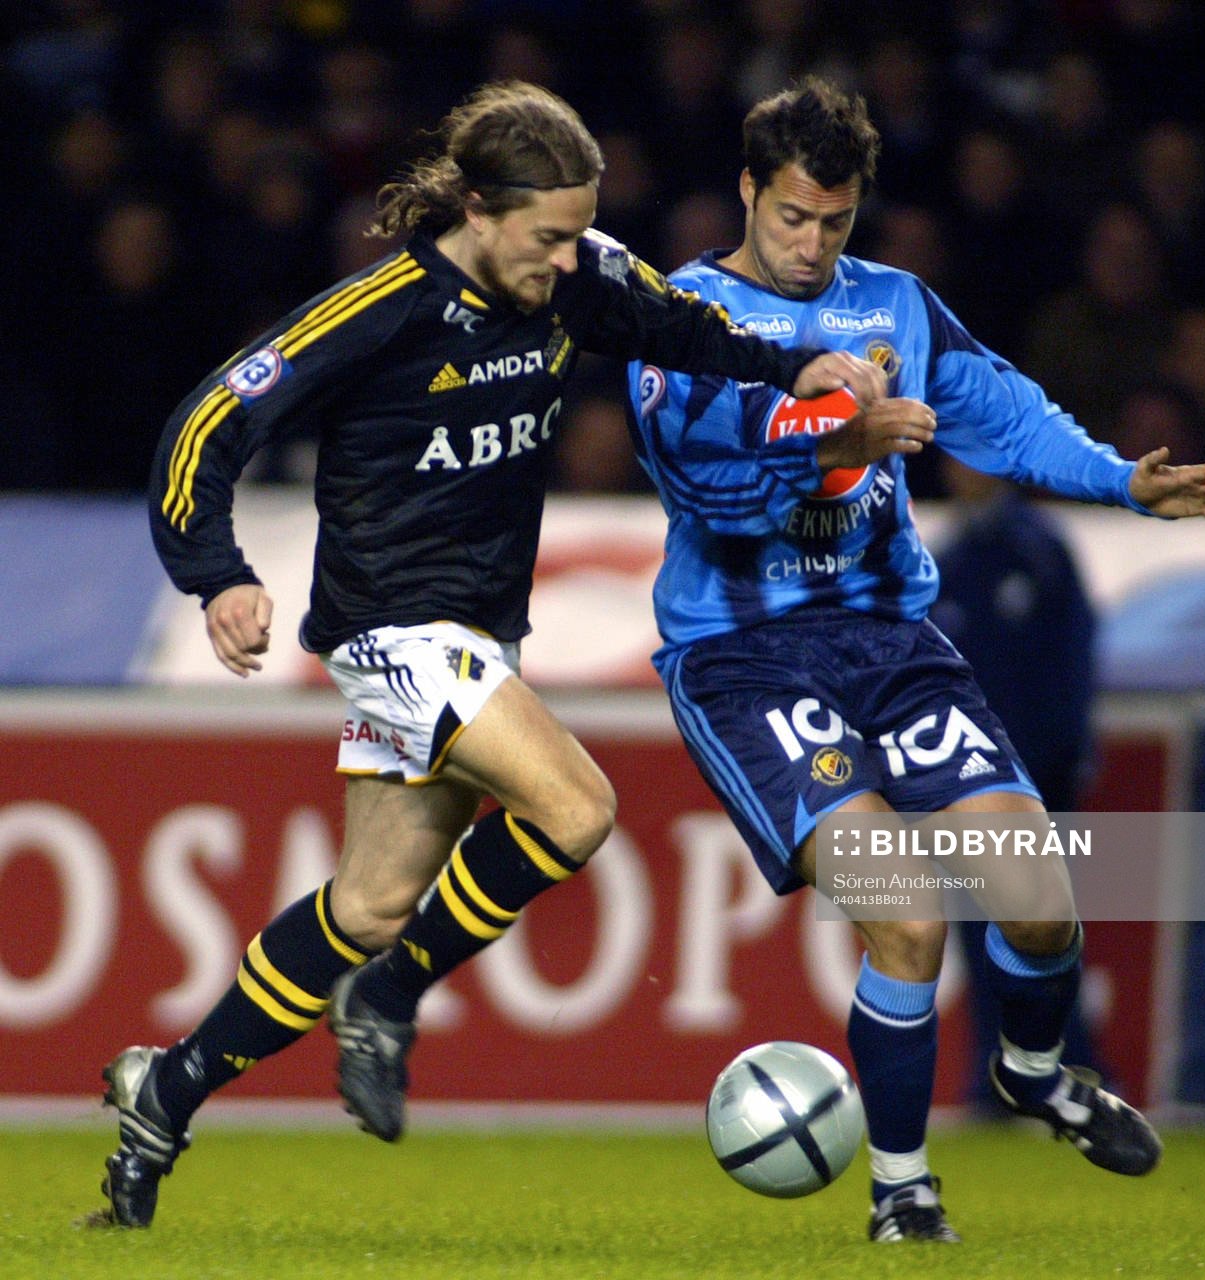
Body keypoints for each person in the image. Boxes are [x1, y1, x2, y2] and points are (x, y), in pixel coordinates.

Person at [99, 80, 885, 1230]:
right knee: (576, 809)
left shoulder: (583, 273)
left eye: (580, 232)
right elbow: (210, 422)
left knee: (368, 903)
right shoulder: (382, 309)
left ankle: (166, 1092)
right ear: (476, 206)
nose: (568, 261)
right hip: (393, 629)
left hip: (480, 631)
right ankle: (396, 987)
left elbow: (678, 322)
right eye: (547, 236)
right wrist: (216, 572)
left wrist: (792, 369)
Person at [625, 77, 1205, 1245]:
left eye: (836, 222)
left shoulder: (896, 307)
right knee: (905, 910)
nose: (813, 246)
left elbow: (1000, 412)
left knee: (1038, 901)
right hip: (746, 657)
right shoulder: (682, 319)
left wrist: (1121, 478)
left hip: (893, 642)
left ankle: (1032, 1070)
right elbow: (701, 488)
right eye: (791, 218)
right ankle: (903, 1188)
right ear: (750, 193)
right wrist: (837, 438)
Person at [929, 455, 1105, 1110]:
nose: (958, 470)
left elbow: (1074, 657)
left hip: (1032, 776)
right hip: (962, 783)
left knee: (1044, 924)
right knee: (980, 930)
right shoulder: (946, 558)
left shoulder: (1039, 550)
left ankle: (1072, 1066)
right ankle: (997, 1075)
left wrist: (1070, 751)